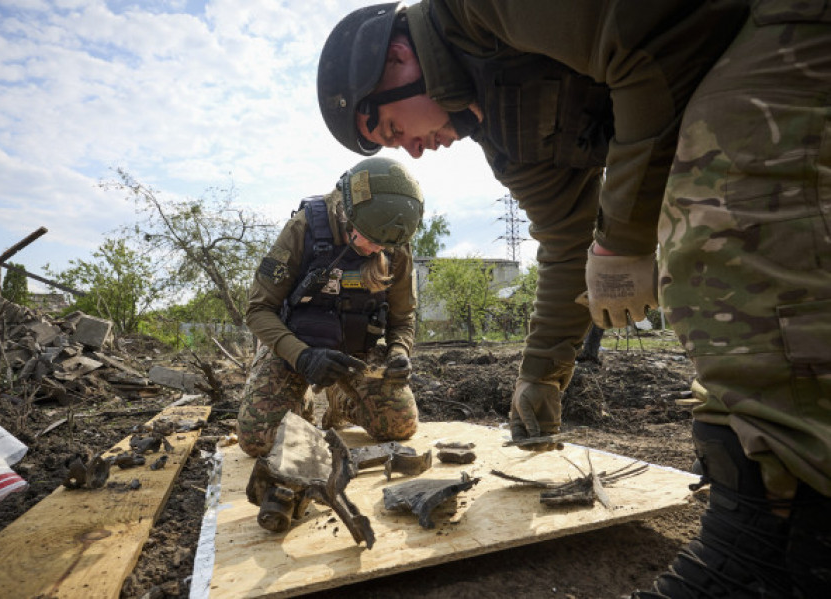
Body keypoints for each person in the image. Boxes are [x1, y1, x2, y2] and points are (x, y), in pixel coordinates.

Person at [316, 2, 831, 597]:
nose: (409, 150)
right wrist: (540, 378)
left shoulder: (477, 10)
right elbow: (567, 248)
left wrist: (625, 237)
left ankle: (777, 542)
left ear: (398, 60)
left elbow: (657, 36)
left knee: (711, 234)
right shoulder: (507, 142)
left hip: (776, 27)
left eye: (389, 129)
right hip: (708, 85)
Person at [239, 156, 424, 460]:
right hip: (297, 350)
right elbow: (259, 310)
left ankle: (342, 401)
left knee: (399, 425)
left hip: (358, 352)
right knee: (260, 439)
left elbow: (402, 319)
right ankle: (302, 401)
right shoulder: (303, 229)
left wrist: (399, 354)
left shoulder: (394, 241)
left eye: (384, 245)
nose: (377, 249)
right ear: (346, 215)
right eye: (370, 239)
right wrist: (303, 357)